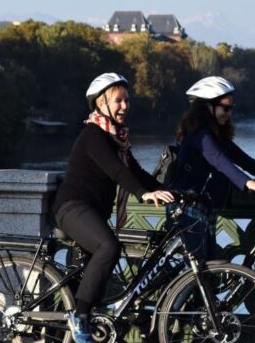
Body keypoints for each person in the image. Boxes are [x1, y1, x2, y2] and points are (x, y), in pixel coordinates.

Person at [51, 73, 174, 343]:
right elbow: (117, 171)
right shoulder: (93, 135)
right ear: (100, 104)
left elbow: (135, 171)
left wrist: (169, 192)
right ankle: (80, 317)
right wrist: (143, 194)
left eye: (127, 100)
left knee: (83, 275)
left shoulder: (117, 139)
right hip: (73, 207)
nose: (124, 106)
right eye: (118, 100)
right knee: (109, 247)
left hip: (92, 212)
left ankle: (58, 331)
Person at [168, 76, 255, 261]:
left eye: (231, 109)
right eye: (226, 108)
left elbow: (246, 161)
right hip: (187, 206)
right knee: (196, 271)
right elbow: (220, 161)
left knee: (207, 266)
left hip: (204, 205)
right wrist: (248, 183)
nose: (229, 113)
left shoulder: (217, 136)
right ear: (207, 107)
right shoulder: (200, 136)